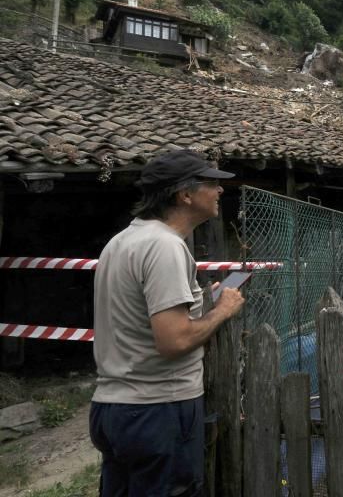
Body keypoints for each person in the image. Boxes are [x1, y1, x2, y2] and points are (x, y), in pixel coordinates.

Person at [89, 149, 246, 496]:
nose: (220, 191)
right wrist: (222, 311)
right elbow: (173, 341)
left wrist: (202, 302)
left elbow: (139, 318)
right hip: (157, 410)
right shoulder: (165, 248)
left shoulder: (121, 242)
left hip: (112, 408)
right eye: (211, 183)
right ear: (184, 194)